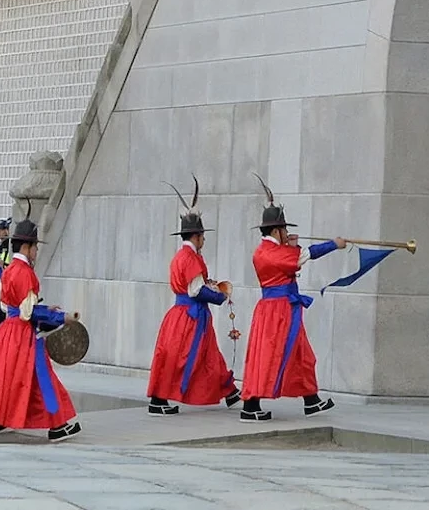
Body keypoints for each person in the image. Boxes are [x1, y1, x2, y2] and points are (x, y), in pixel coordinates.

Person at [0, 211, 81, 444]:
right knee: (28, 378)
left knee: (20, 379)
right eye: (35, 247)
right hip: (21, 334)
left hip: (9, 331)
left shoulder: (9, 269)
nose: (36, 251)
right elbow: (29, 312)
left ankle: (57, 424)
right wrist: (60, 317)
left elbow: (12, 305)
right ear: (26, 247)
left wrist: (45, 309)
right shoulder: (25, 273)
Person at [238, 175, 345, 421]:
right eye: (285, 229)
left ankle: (311, 400)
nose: (287, 233)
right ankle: (251, 404)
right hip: (277, 311)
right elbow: (302, 257)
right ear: (276, 230)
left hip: (283, 308)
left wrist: (291, 246)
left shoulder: (271, 250)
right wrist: (333, 244)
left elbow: (291, 259)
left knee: (301, 354)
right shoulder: (268, 252)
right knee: (267, 355)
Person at [146, 178, 241, 415]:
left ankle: (229, 390)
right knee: (180, 357)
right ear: (197, 236)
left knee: (205, 353)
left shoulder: (181, 257)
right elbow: (196, 290)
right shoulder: (190, 258)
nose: (204, 240)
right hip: (190, 317)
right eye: (202, 236)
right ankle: (159, 399)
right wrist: (220, 295)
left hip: (182, 315)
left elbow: (194, 284)